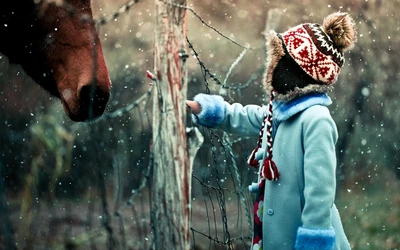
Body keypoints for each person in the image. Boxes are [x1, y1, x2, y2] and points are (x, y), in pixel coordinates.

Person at [186, 12, 357, 250]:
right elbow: (241, 116)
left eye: (282, 60)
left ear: (299, 70)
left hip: (300, 239)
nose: (274, 67)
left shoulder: (316, 120)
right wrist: (196, 107)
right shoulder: (280, 112)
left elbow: (320, 193)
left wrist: (313, 241)